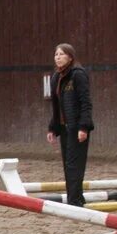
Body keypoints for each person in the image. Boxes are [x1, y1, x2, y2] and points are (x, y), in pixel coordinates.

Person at [46, 43, 94, 207]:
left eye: (61, 54)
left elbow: (85, 103)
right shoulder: (55, 78)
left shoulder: (78, 75)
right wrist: (53, 128)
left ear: (70, 57)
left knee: (74, 166)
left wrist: (84, 127)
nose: (57, 57)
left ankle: (74, 202)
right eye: (56, 54)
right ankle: (76, 199)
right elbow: (56, 106)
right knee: (68, 165)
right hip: (64, 129)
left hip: (77, 128)